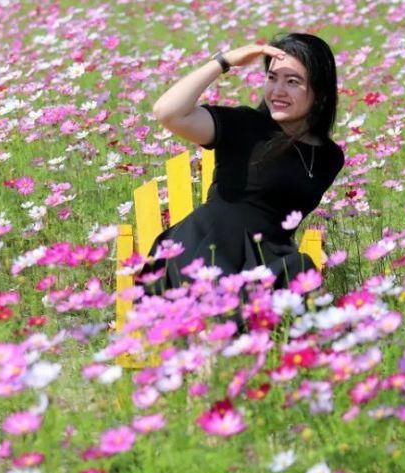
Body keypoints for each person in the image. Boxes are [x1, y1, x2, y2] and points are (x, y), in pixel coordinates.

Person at [139, 32, 345, 297]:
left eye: (292, 81)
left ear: (320, 92)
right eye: (272, 78)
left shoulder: (329, 157)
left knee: (300, 274)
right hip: (206, 251)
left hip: (264, 259)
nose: (277, 91)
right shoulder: (244, 125)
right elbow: (167, 112)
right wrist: (223, 62)